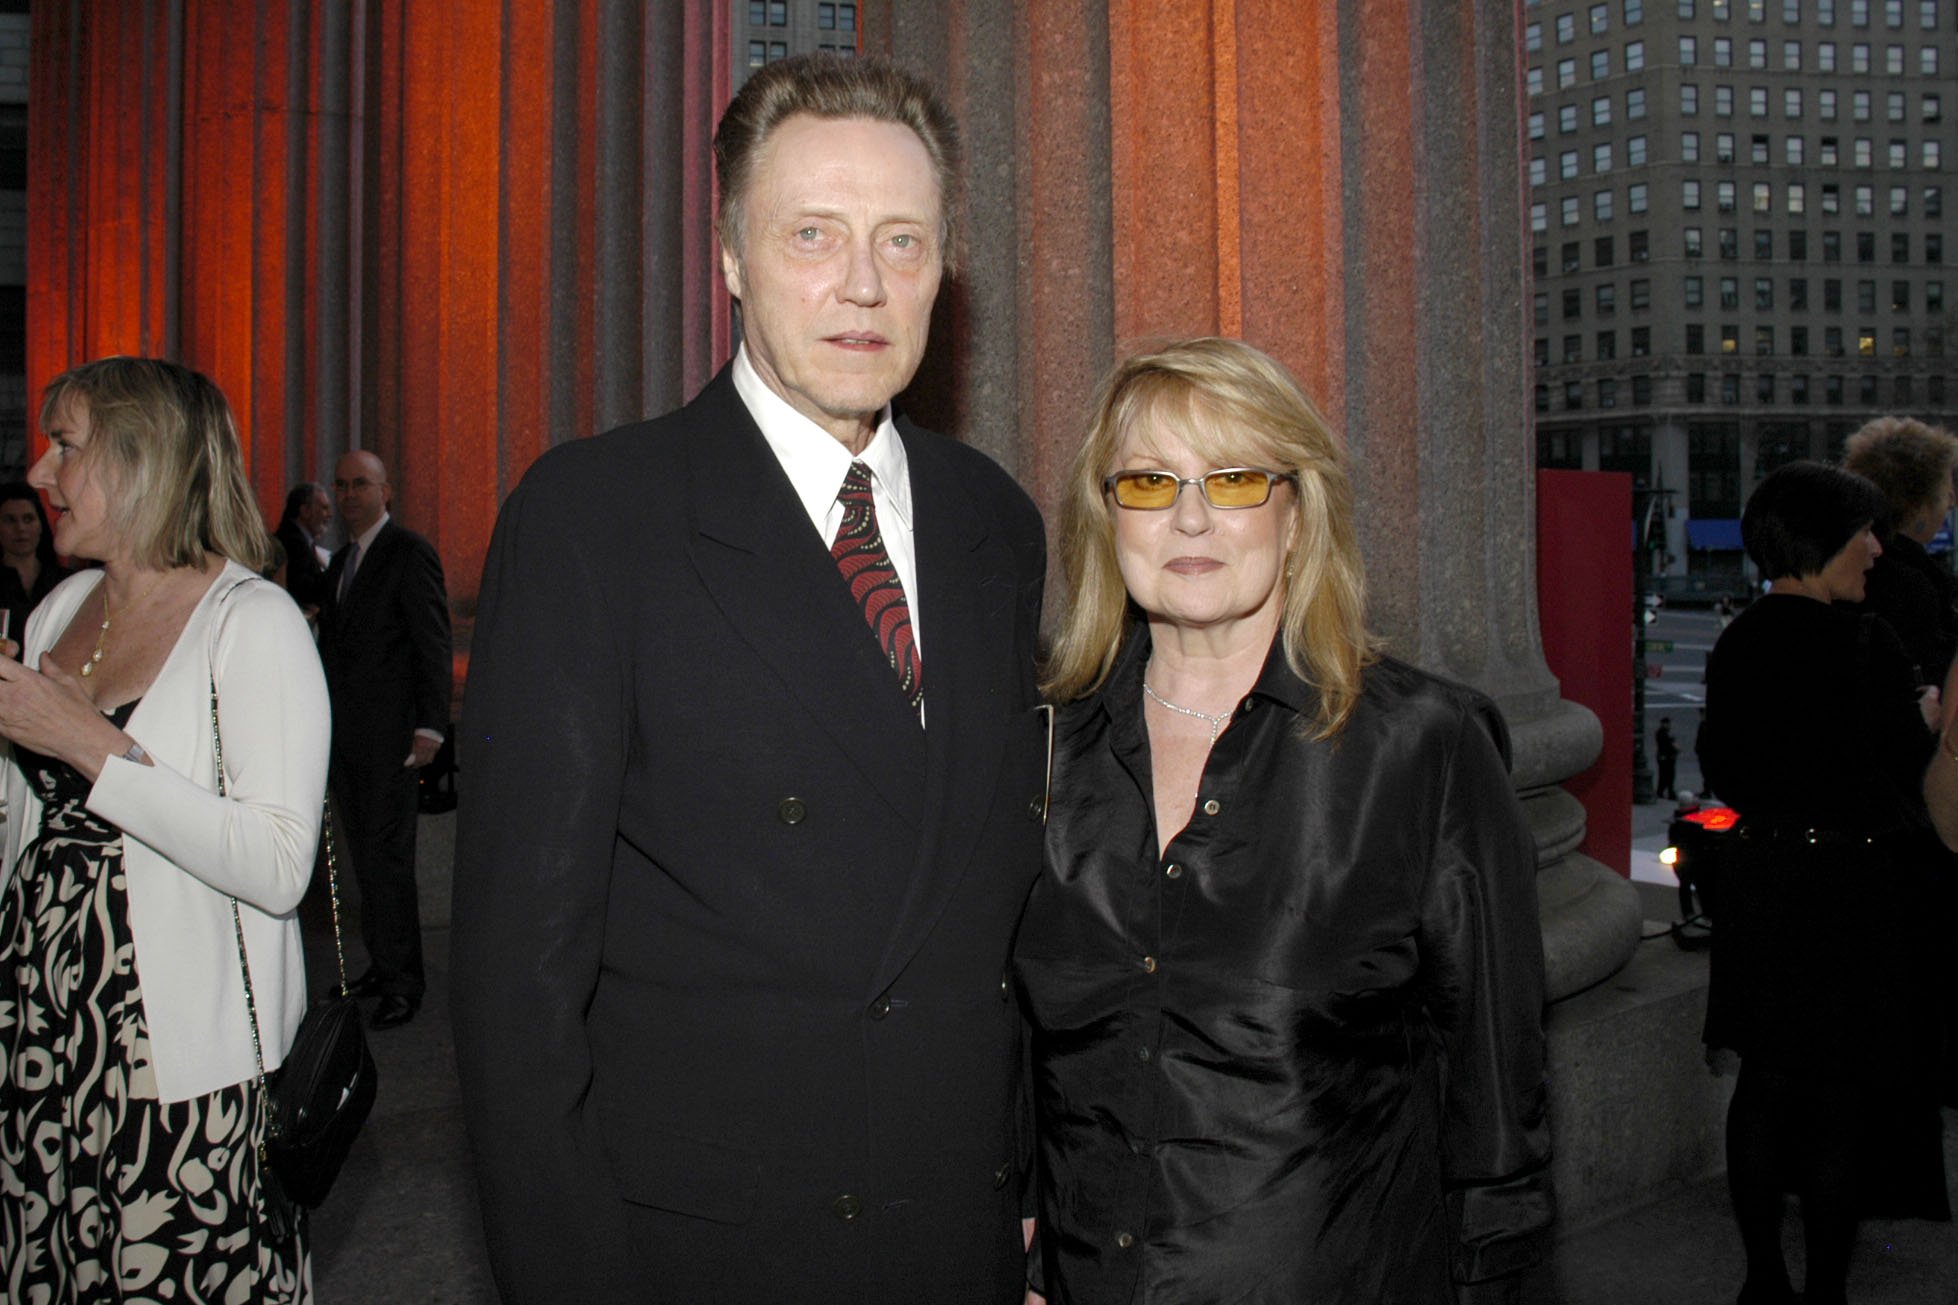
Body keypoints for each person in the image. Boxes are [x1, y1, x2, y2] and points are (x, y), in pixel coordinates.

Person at [452, 53, 1047, 1304]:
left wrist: (1041, 1190)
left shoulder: (992, 521)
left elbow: (1003, 911)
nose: (863, 285)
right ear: (728, 260)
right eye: (812, 235)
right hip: (713, 1242)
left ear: (945, 268)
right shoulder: (594, 517)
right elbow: (518, 983)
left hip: (955, 1224)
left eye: (903, 240)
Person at [1015, 338, 1551, 1303]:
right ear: (1105, 518)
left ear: (1298, 514)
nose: (1188, 516)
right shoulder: (1045, 742)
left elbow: (1497, 1109)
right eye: (1147, 481)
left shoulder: (1422, 746)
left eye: (1233, 478)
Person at [0, 357, 328, 1299]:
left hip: (175, 1059)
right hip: (45, 1033)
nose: (37, 474)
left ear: (143, 458)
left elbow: (277, 864)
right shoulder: (63, 606)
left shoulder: (250, 620)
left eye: (64, 445)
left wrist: (90, 746)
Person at [1699, 461, 1946, 1305]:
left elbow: (1723, 766)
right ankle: (1827, 1288)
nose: (1876, 550)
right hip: (1848, 886)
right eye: (1862, 534)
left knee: (1763, 1086)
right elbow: (1890, 768)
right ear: (1821, 543)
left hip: (1763, 879)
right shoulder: (1865, 642)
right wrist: (1919, 721)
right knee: (1839, 1100)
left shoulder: (1740, 640)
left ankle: (1763, 1274)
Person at [316, 449, 451, 1030]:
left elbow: (432, 641)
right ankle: (381, 965)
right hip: (346, 741)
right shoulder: (341, 562)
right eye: (341, 485)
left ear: (385, 491)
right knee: (365, 864)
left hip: (393, 739)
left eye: (361, 484)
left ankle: (404, 984)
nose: (349, 494)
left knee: (389, 864)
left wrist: (430, 726)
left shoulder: (408, 552)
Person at [0, 480, 72, 651]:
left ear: (41, 525)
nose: (21, 528)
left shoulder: (66, 582)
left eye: (28, 519)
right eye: (10, 520)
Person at [275, 480, 333, 617]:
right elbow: (302, 588)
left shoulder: (302, 542)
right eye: (324, 508)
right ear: (305, 511)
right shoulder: (293, 543)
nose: (329, 514)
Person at [1655, 715, 1680, 800]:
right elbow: (1668, 746)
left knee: (1664, 775)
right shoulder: (1663, 734)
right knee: (1669, 776)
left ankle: (1661, 791)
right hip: (1667, 758)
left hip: (1664, 757)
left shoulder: (1661, 733)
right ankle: (1670, 793)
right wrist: (1676, 750)